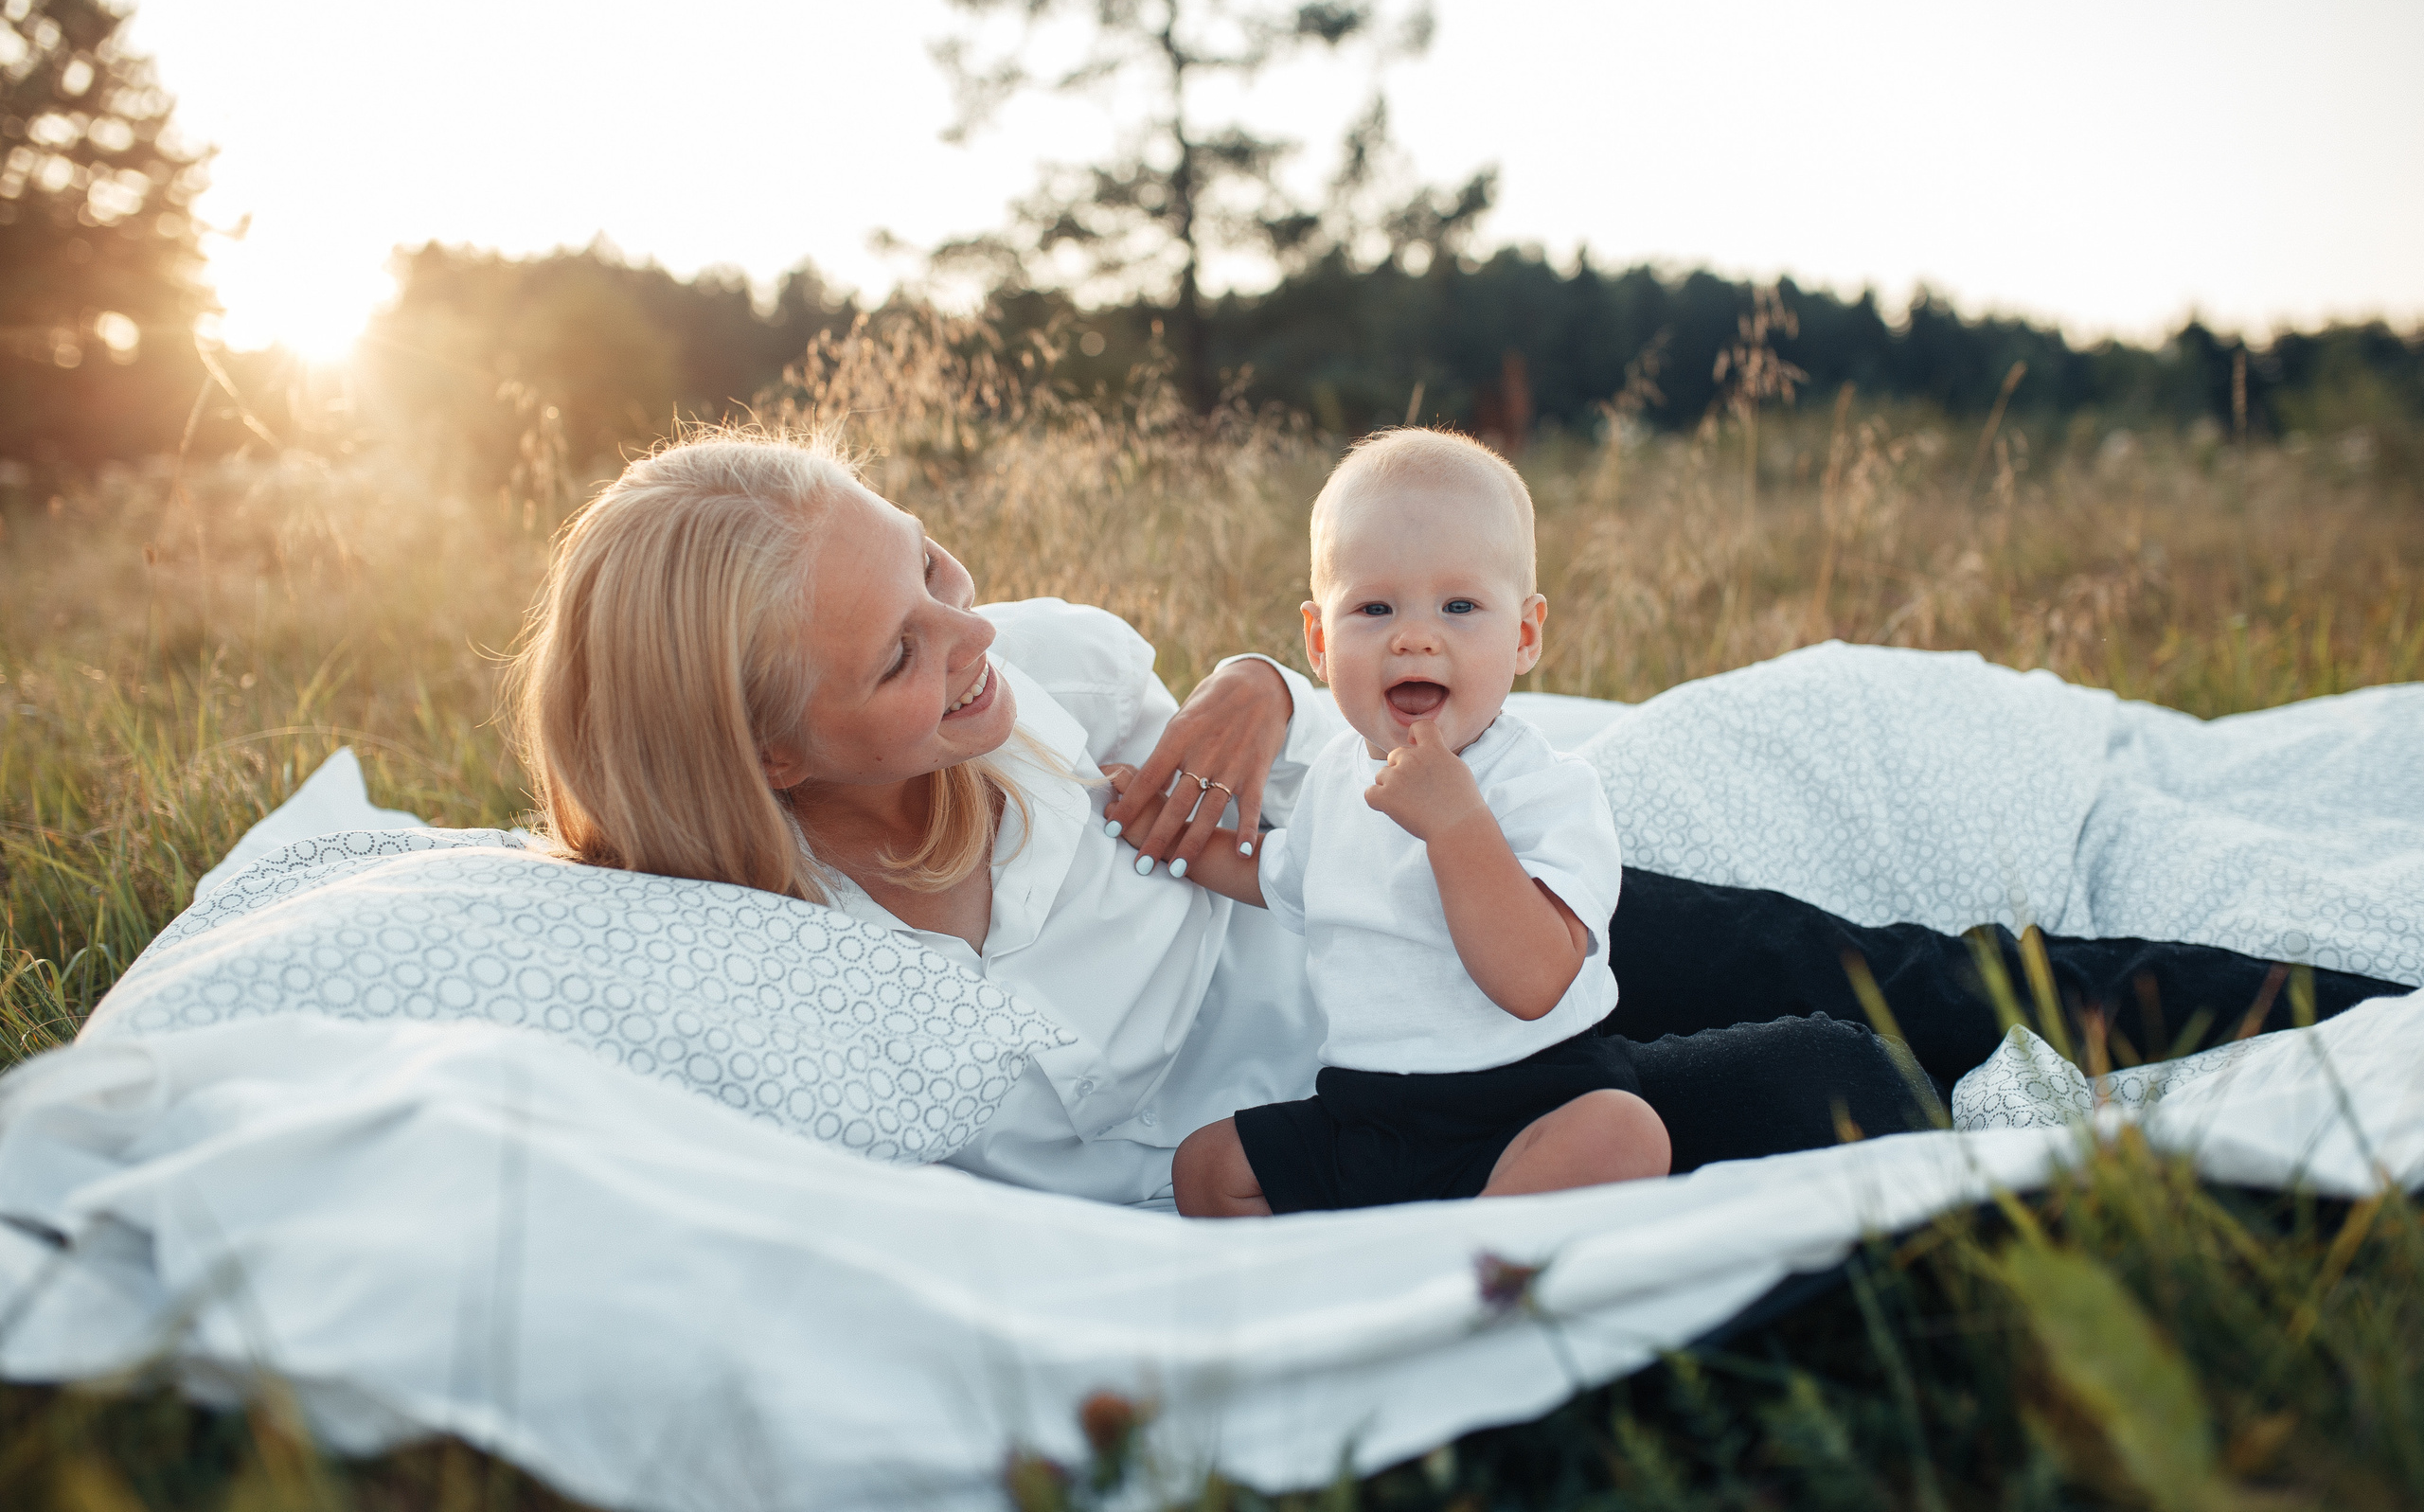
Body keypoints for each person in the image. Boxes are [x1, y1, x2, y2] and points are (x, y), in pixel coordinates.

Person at [510, 429, 2410, 1205]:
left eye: (936, 566)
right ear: (768, 762)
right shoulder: (812, 964)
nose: (967, 635)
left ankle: (2354, 1012)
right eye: (901, 657)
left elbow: (1232, 679)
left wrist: (1259, 688)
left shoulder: (1054, 667)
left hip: (1442, 891)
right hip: (1385, 1094)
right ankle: (1652, 1143)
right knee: (1833, 1070)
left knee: (1925, 972)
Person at [1145, 431, 1667, 1215]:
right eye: (1374, 606)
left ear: (1524, 635)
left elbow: (1534, 982)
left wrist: (1456, 820)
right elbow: (1271, 873)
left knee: (1624, 1133)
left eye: (1460, 607)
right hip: (1370, 1111)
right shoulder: (1332, 781)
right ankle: (1379, 1270)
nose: (1414, 635)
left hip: (1526, 1095)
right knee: (1205, 1169)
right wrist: (1170, 832)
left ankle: (1473, 1254)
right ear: (1319, 641)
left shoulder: (1545, 788)